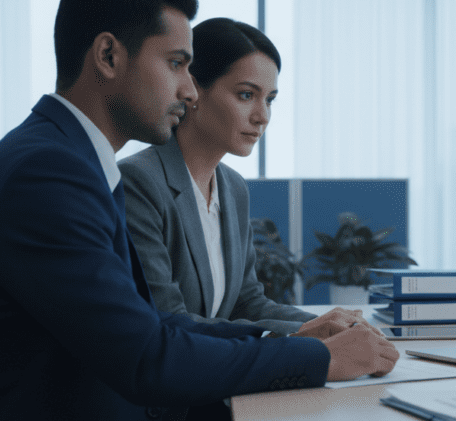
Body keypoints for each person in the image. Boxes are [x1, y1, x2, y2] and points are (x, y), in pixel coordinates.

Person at [0, 0, 398, 421]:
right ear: (109, 56)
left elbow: (153, 322)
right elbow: (147, 358)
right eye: (177, 63)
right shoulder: (47, 173)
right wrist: (320, 360)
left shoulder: (74, 160)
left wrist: (297, 342)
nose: (189, 88)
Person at [118, 18, 321, 338]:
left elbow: (247, 302)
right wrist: (300, 336)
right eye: (246, 95)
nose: (262, 116)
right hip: (173, 379)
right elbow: (167, 318)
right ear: (194, 90)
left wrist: (326, 324)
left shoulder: (233, 188)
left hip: (224, 375)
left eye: (269, 99)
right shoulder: (140, 182)